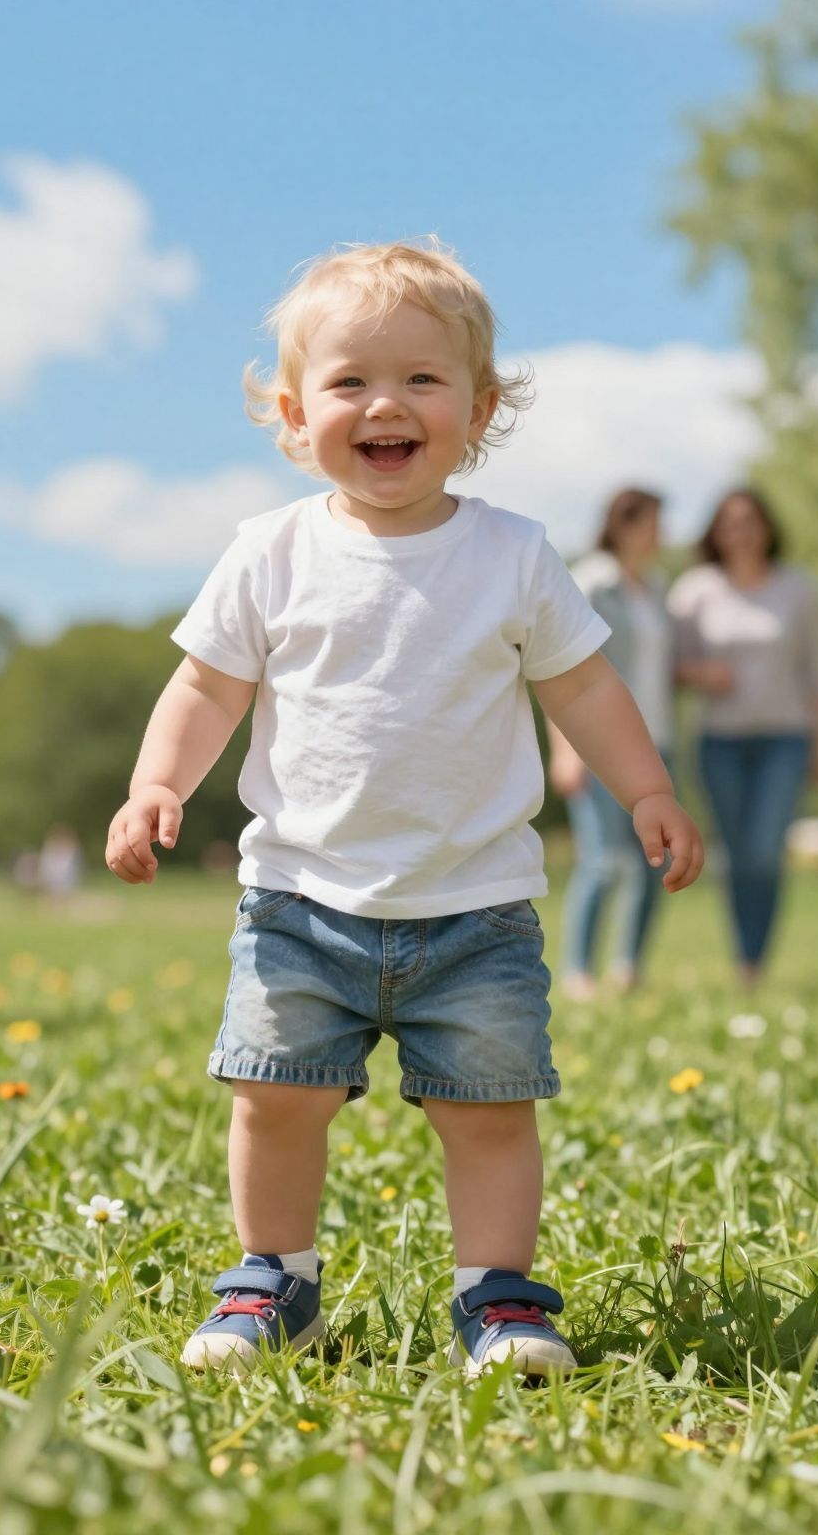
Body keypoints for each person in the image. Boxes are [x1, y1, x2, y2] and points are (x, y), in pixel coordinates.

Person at [104, 240, 704, 1380]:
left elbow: (581, 684)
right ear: (291, 415)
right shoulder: (268, 553)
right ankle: (271, 1281)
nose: (385, 404)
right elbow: (206, 686)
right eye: (347, 383)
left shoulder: (513, 556)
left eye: (422, 381)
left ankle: (499, 1300)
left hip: (474, 908)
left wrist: (646, 788)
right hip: (297, 903)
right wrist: (155, 784)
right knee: (274, 1101)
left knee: (486, 1114)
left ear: (479, 411)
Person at [669, 488, 818, 985]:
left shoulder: (798, 588)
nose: (740, 532)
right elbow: (668, 667)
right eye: (730, 523)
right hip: (720, 741)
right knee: (735, 855)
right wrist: (702, 675)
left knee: (765, 851)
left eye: (750, 522)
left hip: (786, 739)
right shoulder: (696, 590)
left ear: (767, 528)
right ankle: (745, 960)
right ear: (716, 533)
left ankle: (755, 960)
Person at [547, 488, 675, 999]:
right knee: (602, 860)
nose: (661, 534)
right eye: (653, 523)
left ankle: (629, 969)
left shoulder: (658, 588)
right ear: (623, 524)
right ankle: (579, 971)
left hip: (660, 740)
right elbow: (560, 668)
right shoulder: (591, 581)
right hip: (600, 744)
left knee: (654, 863)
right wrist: (566, 750)